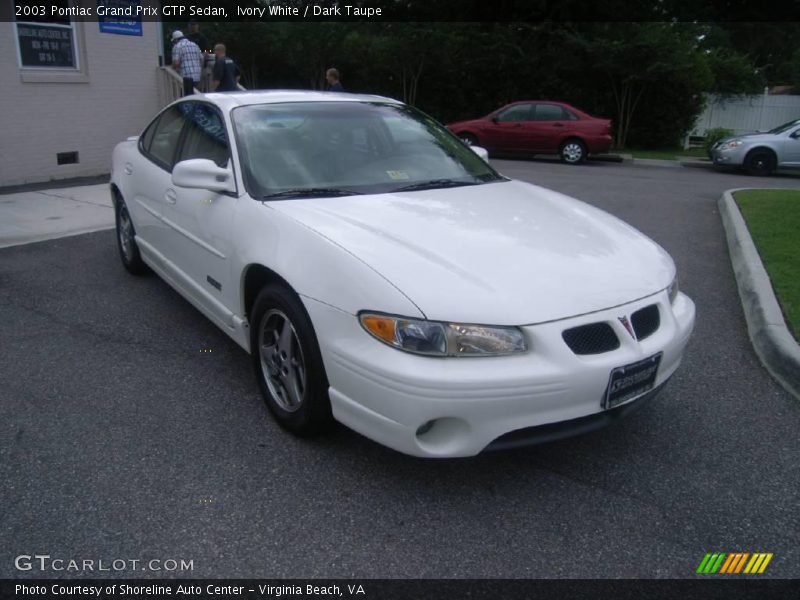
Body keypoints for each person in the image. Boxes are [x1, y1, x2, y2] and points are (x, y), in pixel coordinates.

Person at [170, 30, 203, 96]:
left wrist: (172, 67)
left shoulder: (177, 46)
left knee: (187, 97)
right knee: (196, 96)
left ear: (176, 40)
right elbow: (201, 58)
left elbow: (176, 63)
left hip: (186, 77)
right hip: (197, 75)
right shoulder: (194, 45)